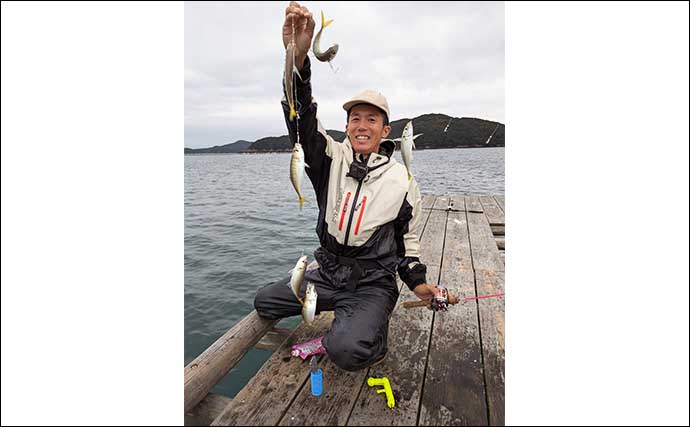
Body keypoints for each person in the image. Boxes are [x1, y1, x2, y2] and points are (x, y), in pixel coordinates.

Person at [254, 1, 440, 371]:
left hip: (372, 282)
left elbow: (408, 243)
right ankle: (347, 314)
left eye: (372, 119)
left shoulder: (402, 181)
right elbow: (301, 116)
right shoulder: (329, 158)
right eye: (355, 118)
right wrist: (298, 58)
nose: (362, 125)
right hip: (326, 271)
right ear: (348, 125)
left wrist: (418, 284)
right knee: (265, 302)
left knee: (347, 352)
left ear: (385, 131)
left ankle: (367, 326)